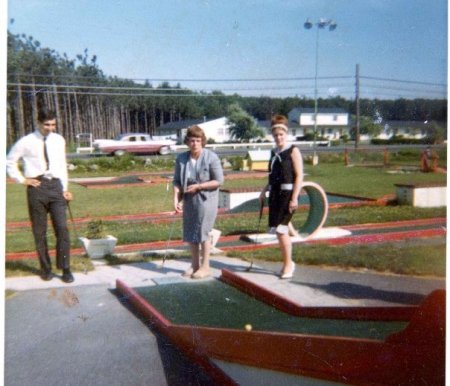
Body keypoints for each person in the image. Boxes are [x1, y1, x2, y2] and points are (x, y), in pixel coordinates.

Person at [6, 109, 74, 283]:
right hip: (37, 188)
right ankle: (46, 269)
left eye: (53, 124)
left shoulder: (59, 140)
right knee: (39, 232)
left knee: (62, 230)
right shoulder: (26, 141)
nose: (50, 128)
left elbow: (62, 165)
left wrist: (65, 188)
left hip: (56, 186)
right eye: (47, 124)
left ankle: (65, 268)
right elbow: (9, 161)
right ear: (38, 123)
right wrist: (22, 180)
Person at [173, 125, 224, 279]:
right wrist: (176, 199)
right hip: (189, 200)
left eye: (198, 140)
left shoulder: (211, 157)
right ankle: (194, 265)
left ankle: (205, 266)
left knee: (203, 232)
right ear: (187, 142)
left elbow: (219, 180)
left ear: (202, 141)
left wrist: (200, 186)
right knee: (191, 232)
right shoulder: (181, 158)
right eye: (191, 140)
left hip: (206, 199)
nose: (194, 143)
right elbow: (176, 181)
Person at [259, 115, 303, 279]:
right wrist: (264, 191)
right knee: (278, 232)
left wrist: (295, 198)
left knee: (281, 230)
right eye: (276, 135)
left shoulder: (293, 150)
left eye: (281, 135)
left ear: (286, 134)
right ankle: (288, 262)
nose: (278, 138)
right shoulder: (273, 152)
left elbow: (299, 176)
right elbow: (273, 176)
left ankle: (288, 265)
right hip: (275, 195)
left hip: (287, 195)